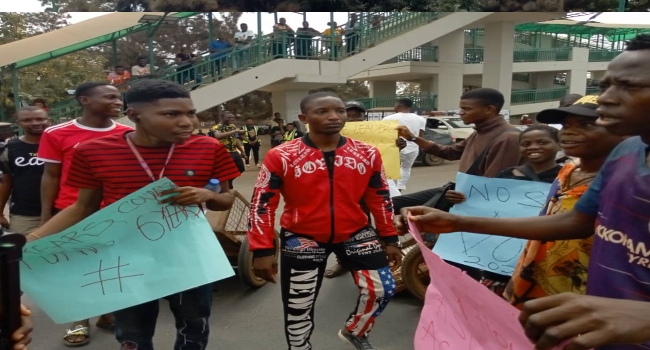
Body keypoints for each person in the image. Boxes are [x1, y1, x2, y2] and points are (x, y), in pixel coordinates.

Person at [398, 34, 650, 350]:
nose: (608, 98)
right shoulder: (627, 152)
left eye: (629, 86)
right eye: (605, 86)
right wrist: (460, 223)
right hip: (592, 329)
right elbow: (576, 222)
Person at [28, 79, 241, 350]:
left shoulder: (209, 148)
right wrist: (30, 241)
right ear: (134, 116)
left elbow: (226, 200)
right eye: (171, 114)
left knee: (194, 329)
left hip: (191, 257)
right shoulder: (93, 152)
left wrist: (209, 195)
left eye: (190, 113)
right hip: (126, 260)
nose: (188, 122)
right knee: (132, 335)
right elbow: (83, 207)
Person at [248, 92, 401, 350]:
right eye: (322, 112)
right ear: (303, 118)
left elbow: (381, 197)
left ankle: (356, 330)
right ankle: (299, 347)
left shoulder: (367, 153)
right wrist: (262, 249)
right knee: (299, 305)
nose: (334, 116)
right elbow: (262, 204)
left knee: (383, 289)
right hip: (301, 236)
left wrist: (390, 238)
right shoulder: (282, 155)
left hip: (356, 231)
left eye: (339, 111)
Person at [392, 88, 522, 285]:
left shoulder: (507, 138)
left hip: (472, 203)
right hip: (458, 192)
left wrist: (464, 197)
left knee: (454, 252)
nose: (460, 113)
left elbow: (493, 186)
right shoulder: (479, 132)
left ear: (489, 109)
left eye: (466, 109)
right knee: (392, 204)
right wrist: (412, 137)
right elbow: (450, 153)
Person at [504, 96, 624, 309]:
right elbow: (546, 222)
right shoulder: (568, 170)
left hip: (586, 287)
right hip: (535, 275)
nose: (568, 131)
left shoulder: (624, 182)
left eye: (586, 125)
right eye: (566, 125)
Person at [37, 82, 132, 347]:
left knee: (113, 266)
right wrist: (47, 217)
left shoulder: (128, 133)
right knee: (76, 269)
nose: (117, 101)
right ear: (85, 100)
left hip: (115, 212)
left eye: (119, 97)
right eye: (110, 96)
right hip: (73, 212)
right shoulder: (57, 133)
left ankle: (106, 314)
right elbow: (51, 176)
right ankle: (79, 320)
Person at [324, 100, 405, 279]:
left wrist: (395, 146)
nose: (353, 119)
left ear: (364, 117)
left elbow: (390, 163)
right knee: (348, 227)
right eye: (349, 115)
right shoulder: (328, 135)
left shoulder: (379, 133)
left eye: (357, 115)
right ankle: (344, 262)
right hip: (345, 190)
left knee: (383, 222)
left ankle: (381, 258)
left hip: (372, 188)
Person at [0, 107, 50, 235]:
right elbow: (6, 182)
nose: (34, 123)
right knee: (23, 250)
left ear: (48, 120)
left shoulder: (60, 144)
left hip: (62, 209)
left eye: (40, 119)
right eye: (27, 120)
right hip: (24, 213)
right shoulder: (9, 147)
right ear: (19, 123)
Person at [383, 98, 426, 192]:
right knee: (406, 168)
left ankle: (391, 191)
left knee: (388, 169)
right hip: (413, 148)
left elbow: (384, 136)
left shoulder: (388, 119)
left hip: (395, 147)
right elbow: (421, 136)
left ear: (399, 105)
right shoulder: (421, 119)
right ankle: (399, 188)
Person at [212, 112, 245, 188]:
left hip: (234, 151)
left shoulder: (232, 126)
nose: (231, 119)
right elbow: (217, 136)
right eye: (228, 117)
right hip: (224, 152)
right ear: (222, 117)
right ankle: (225, 186)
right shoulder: (217, 127)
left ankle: (228, 182)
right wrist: (235, 131)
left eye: (232, 117)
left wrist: (242, 151)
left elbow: (234, 139)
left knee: (241, 168)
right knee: (227, 170)